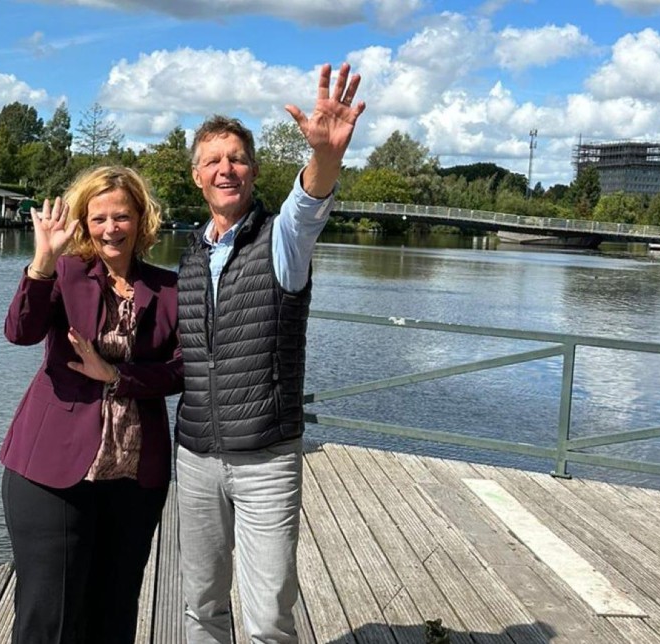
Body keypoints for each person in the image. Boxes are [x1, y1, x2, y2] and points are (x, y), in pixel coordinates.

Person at [175, 62, 366, 643]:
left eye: (236, 158)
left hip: (266, 458)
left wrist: (326, 156)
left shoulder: (281, 241)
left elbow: (308, 205)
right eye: (213, 160)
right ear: (197, 176)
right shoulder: (188, 258)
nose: (225, 169)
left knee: (266, 621)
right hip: (196, 457)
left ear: (254, 171)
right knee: (201, 608)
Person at [0, 166, 182, 644]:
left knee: (115, 610)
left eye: (121, 216)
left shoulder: (170, 290)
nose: (109, 228)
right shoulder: (65, 273)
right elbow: (20, 332)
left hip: (135, 474)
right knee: (50, 617)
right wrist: (41, 263)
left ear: (142, 221)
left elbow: (183, 370)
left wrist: (118, 377)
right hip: (51, 469)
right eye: (98, 217)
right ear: (83, 223)